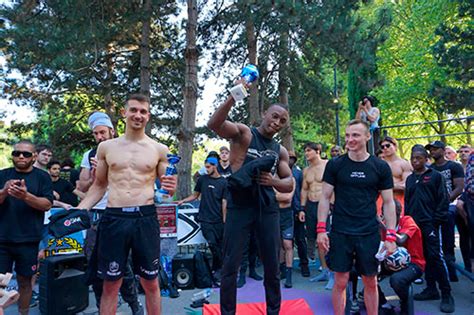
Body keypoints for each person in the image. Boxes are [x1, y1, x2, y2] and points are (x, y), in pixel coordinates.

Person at [78, 95, 177, 315]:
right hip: (114, 218)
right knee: (111, 284)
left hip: (145, 218)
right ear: (124, 113)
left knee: (151, 282)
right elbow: (99, 186)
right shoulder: (106, 147)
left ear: (148, 116)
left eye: (143, 111)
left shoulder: (159, 149)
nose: (138, 115)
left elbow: (168, 190)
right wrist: (79, 210)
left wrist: (171, 185)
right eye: (133, 110)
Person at [207, 82, 293, 315]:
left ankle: (273, 311)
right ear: (265, 114)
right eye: (274, 116)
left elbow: (289, 184)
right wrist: (234, 96)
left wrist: (272, 182)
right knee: (230, 266)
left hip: (267, 208)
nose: (276, 122)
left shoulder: (279, 150)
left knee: (272, 267)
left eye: (282, 121)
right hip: (239, 206)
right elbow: (214, 124)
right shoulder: (244, 134)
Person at [317, 119, 397, 315]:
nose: (350, 139)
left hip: (368, 231)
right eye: (347, 135)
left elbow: (388, 202)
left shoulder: (380, 167)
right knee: (341, 280)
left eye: (355, 135)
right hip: (341, 230)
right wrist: (321, 229)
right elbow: (325, 197)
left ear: (367, 136)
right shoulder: (335, 165)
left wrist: (391, 236)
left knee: (370, 280)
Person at [77, 112, 142, 314]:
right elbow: (82, 185)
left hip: (119, 212)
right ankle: (102, 307)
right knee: (95, 263)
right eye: (96, 134)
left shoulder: (126, 151)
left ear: (112, 131)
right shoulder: (89, 155)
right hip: (96, 215)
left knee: (123, 264)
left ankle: (134, 304)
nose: (99, 137)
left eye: (102, 132)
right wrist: (95, 176)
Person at [0, 140, 54, 315]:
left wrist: (25, 196)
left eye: (26, 154)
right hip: (2, 239)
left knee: (25, 282)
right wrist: (4, 191)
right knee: (0, 282)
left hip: (29, 240)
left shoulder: (42, 177)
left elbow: (46, 204)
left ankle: (24, 313)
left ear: (34, 156)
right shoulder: (3, 175)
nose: (21, 156)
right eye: (17, 153)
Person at [405, 145, 454, 313]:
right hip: (414, 226)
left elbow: (443, 200)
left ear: (426, 159)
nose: (415, 161)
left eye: (418, 158)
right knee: (422, 257)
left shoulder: (435, 176)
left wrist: (436, 221)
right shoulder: (410, 179)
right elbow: (408, 201)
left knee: (435, 257)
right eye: (412, 158)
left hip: (430, 224)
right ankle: (431, 289)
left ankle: (446, 293)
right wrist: (407, 222)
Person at [176, 156, 227, 282]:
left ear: (215, 166)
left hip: (219, 220)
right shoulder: (203, 180)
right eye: (205, 166)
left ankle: (217, 272)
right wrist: (183, 200)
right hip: (205, 219)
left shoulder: (224, 183)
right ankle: (220, 271)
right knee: (212, 245)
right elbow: (195, 195)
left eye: (209, 166)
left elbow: (224, 202)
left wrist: (225, 221)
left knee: (220, 247)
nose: (206, 169)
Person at [425, 140, 464, 282]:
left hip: (450, 205)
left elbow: (459, 187)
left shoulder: (454, 166)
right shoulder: (429, 169)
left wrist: (445, 201)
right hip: (433, 207)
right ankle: (436, 273)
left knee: (448, 241)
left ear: (442, 149)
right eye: (431, 150)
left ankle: (451, 273)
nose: (432, 152)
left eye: (435, 149)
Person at [378, 201, 425, 315]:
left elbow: (401, 239)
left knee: (397, 280)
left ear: (397, 213)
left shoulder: (407, 221)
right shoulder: (384, 227)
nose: (385, 216)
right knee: (369, 272)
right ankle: (382, 303)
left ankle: (405, 302)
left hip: (414, 263)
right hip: (391, 262)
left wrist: (382, 225)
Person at [300, 142, 333, 287]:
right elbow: (304, 190)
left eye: (308, 150)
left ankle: (333, 273)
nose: (306, 153)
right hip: (311, 206)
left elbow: (334, 186)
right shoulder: (306, 170)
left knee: (328, 238)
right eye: (305, 151)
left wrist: (332, 205)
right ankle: (324, 270)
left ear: (317, 151)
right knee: (317, 238)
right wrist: (302, 208)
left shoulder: (327, 165)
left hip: (325, 205)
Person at [288, 150, 310, 277]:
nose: (289, 160)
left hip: (297, 210)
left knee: (300, 239)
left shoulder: (298, 173)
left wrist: (302, 209)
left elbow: (303, 191)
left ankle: (304, 264)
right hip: (284, 211)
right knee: (285, 241)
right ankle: (285, 266)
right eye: (288, 158)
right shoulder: (279, 173)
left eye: (292, 158)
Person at [379, 136, 412, 212]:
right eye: (382, 147)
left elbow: (406, 185)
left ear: (395, 146)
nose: (385, 148)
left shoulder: (404, 164)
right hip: (382, 199)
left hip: (400, 199)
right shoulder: (379, 165)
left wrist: (386, 186)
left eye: (387, 145)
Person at [275, 174, 295, 288]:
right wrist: (279, 196)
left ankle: (289, 275)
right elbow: (273, 196)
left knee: (288, 244)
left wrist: (278, 196)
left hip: (287, 214)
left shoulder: (291, 180)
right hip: (276, 214)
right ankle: (281, 269)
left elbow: (288, 198)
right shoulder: (273, 179)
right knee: (279, 244)